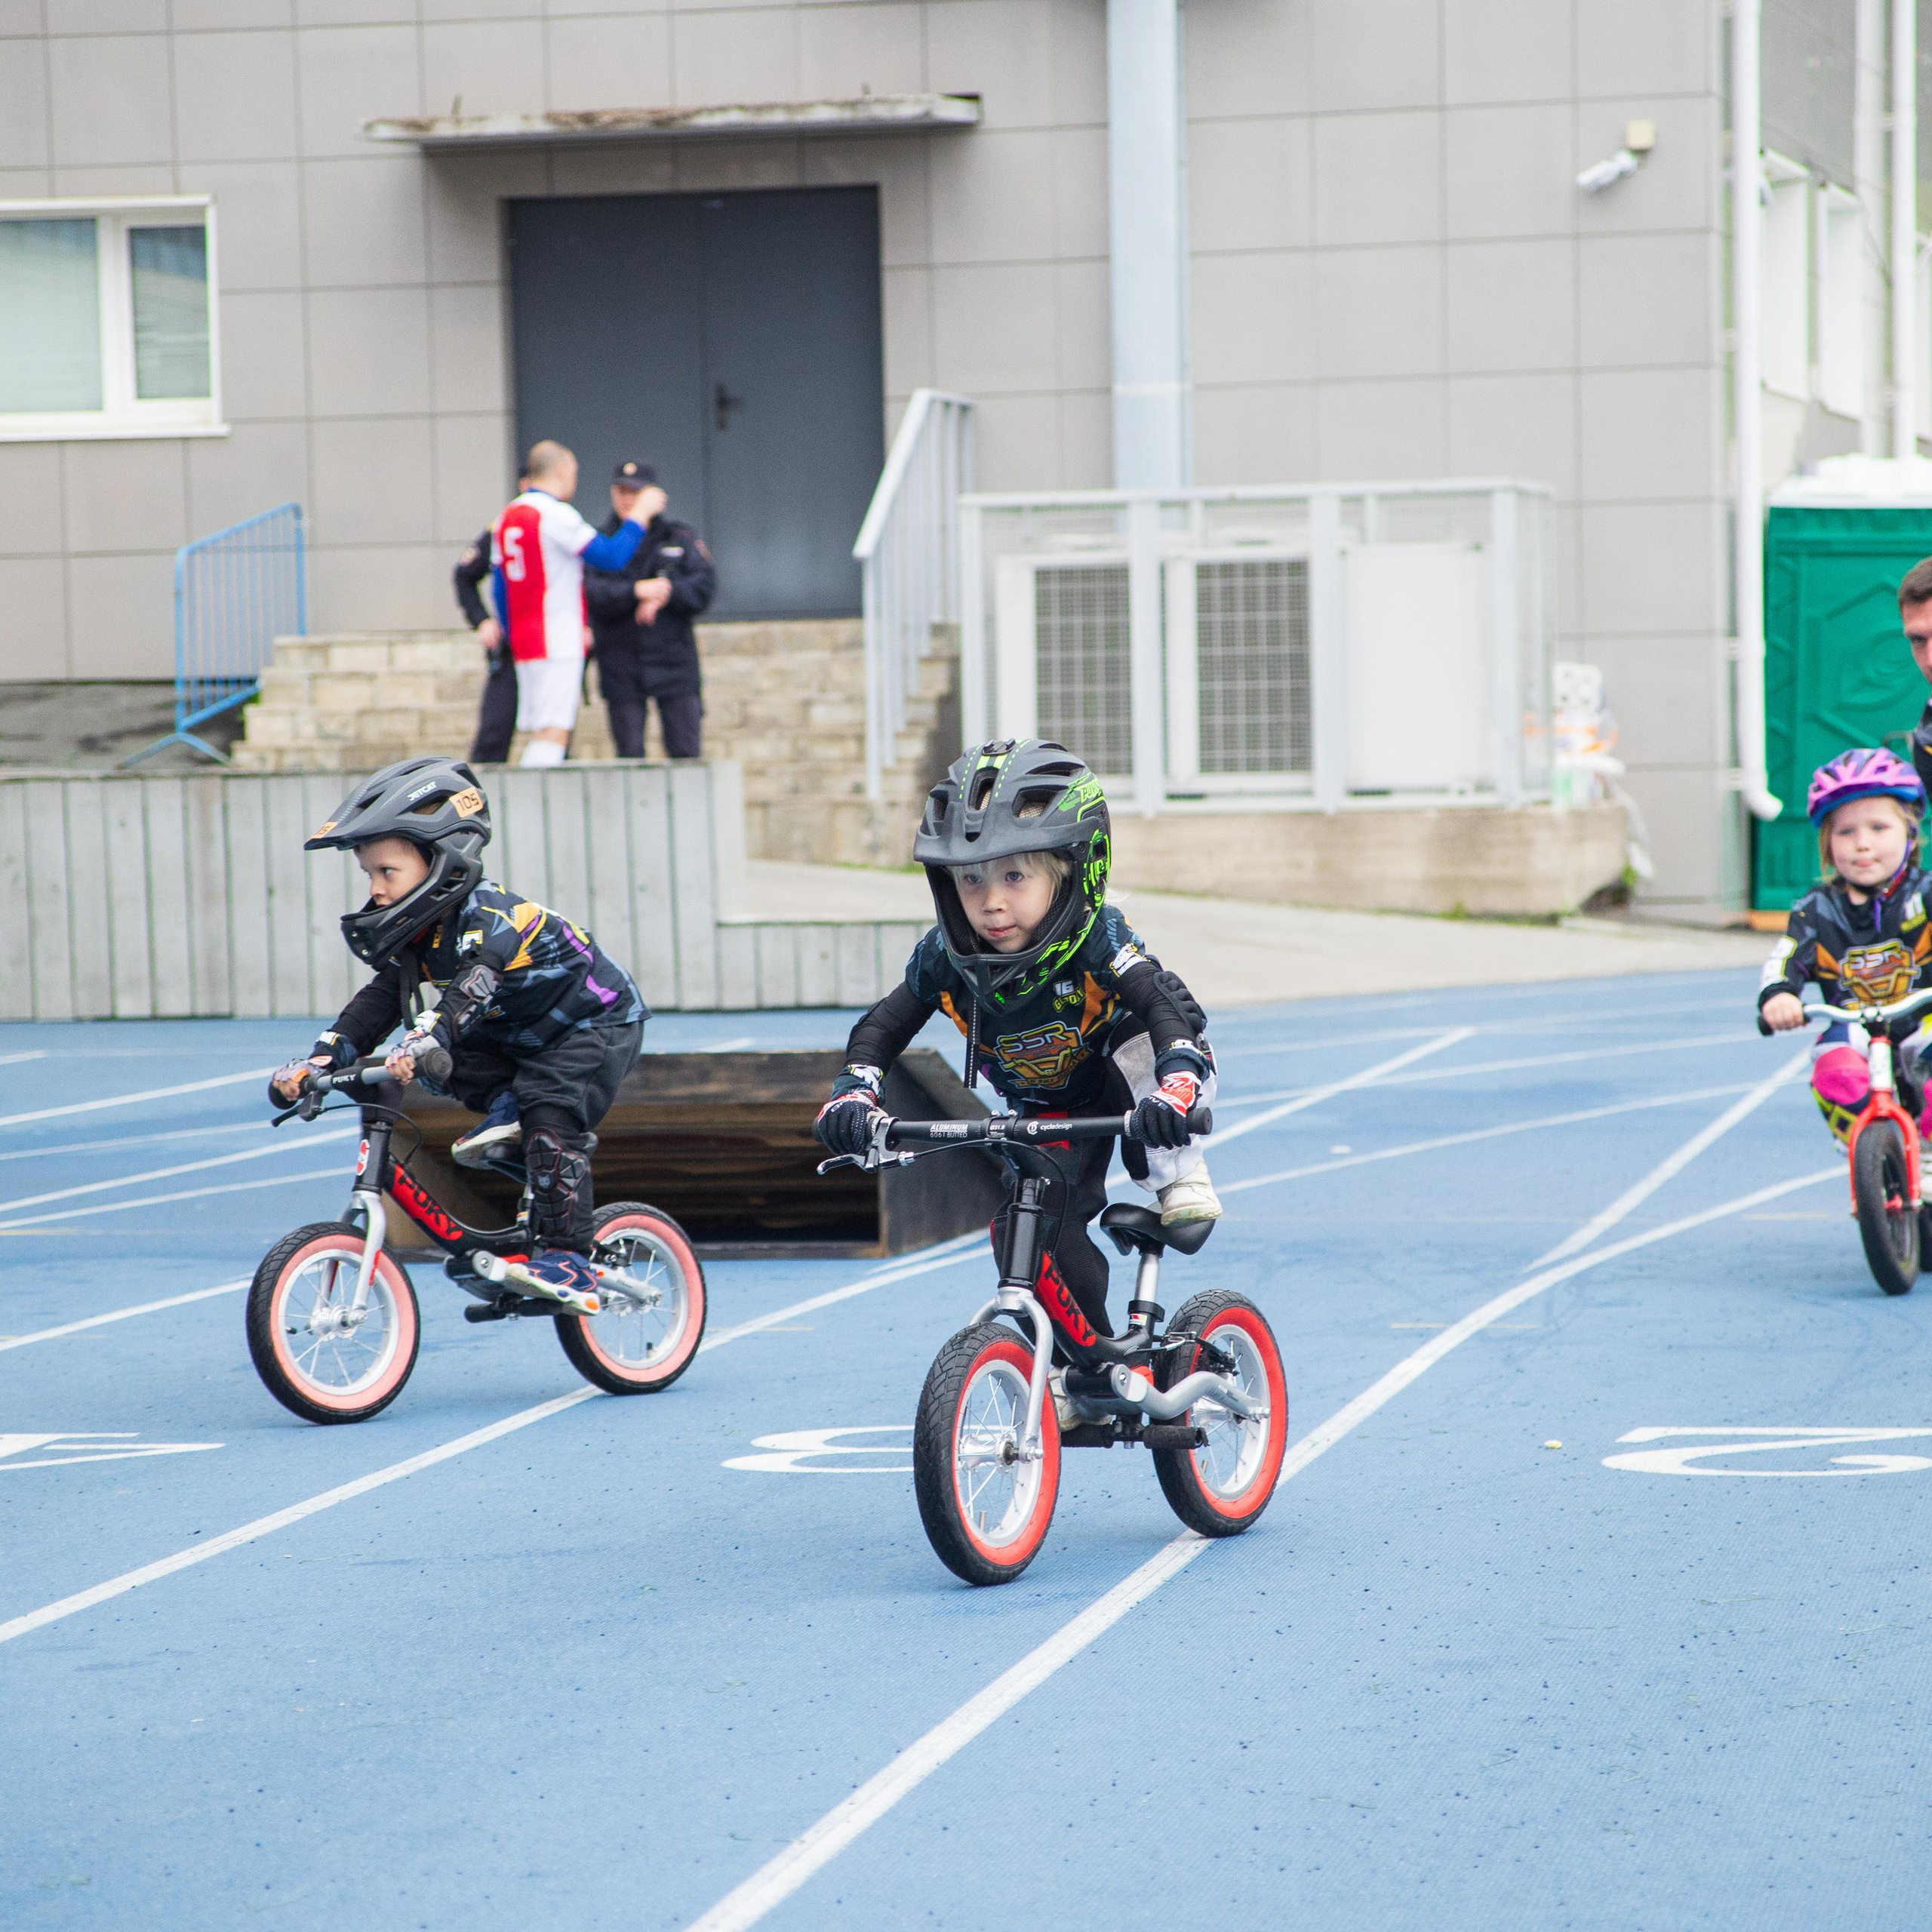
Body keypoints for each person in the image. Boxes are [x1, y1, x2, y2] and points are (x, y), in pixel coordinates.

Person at [812, 737, 1220, 1371]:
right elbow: (882, 1028)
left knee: (1149, 1032)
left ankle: (1178, 1169)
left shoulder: (1097, 936)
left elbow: (1163, 1010)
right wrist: (855, 1092)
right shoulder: (946, 956)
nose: (990, 901)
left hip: (1132, 1082)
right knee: (1028, 1230)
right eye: (970, 879)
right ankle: (1084, 1362)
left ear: (1069, 873)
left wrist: (1179, 1085)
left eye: (1014, 876)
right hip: (1047, 1106)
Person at [267, 756, 647, 1312]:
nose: (374, 890)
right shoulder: (421, 939)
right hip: (516, 1036)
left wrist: (424, 1043)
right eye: (369, 875)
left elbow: (468, 993)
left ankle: (570, 1257)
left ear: (441, 860)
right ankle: (524, 1135)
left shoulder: (494, 919)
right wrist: (319, 1062)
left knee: (545, 1106)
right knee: (450, 1067)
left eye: (386, 873)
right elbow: (376, 1005)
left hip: (592, 1024)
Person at [1758, 749, 1932, 1154]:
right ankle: (1869, 1151)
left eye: (1878, 828)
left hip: (1923, 1023)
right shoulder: (1816, 909)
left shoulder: (1925, 895)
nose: (1863, 845)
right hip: (1855, 1027)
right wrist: (1780, 995)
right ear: (1827, 842)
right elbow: (1786, 958)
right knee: (1832, 1062)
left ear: (1909, 833)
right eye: (1846, 832)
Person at [491, 441, 652, 768]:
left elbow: (498, 588)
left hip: (526, 638)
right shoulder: (554, 514)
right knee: (553, 733)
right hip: (555, 636)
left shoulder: (507, 515)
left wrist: (514, 634)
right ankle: (532, 807)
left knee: (542, 730)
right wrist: (640, 516)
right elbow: (611, 557)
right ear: (562, 471)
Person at [584, 460, 717, 759]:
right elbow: (591, 592)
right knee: (630, 758)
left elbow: (705, 586)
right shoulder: (600, 542)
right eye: (621, 491)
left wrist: (668, 591)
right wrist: (636, 592)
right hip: (621, 664)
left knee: (686, 754)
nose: (628, 499)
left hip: (674, 663)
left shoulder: (678, 536)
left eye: (635, 492)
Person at [453, 496, 518, 764]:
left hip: (547, 649)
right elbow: (464, 575)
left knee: (553, 732)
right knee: (493, 735)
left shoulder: (562, 524)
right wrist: (482, 620)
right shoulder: (503, 529)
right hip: (511, 650)